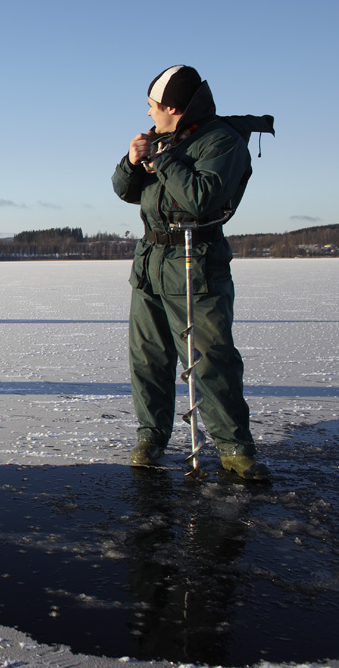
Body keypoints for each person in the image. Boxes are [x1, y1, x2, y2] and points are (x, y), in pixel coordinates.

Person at [111, 65, 272, 480]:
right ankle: (151, 435)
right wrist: (132, 162)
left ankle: (235, 448)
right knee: (147, 358)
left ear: (172, 107)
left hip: (194, 264)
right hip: (149, 264)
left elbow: (202, 197)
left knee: (209, 360)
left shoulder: (222, 141)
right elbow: (126, 192)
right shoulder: (164, 140)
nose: (148, 115)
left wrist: (163, 161)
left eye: (152, 106)